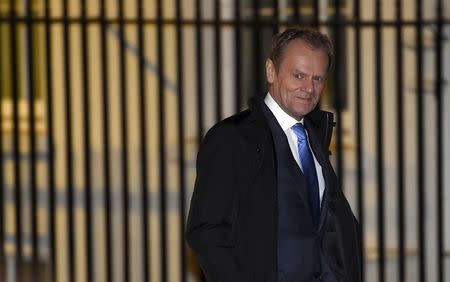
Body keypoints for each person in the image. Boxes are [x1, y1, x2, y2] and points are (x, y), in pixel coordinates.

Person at [186, 27, 361, 282]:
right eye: (298, 75)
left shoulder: (315, 138)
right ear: (271, 71)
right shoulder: (232, 138)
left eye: (318, 79)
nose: (308, 88)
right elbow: (206, 231)